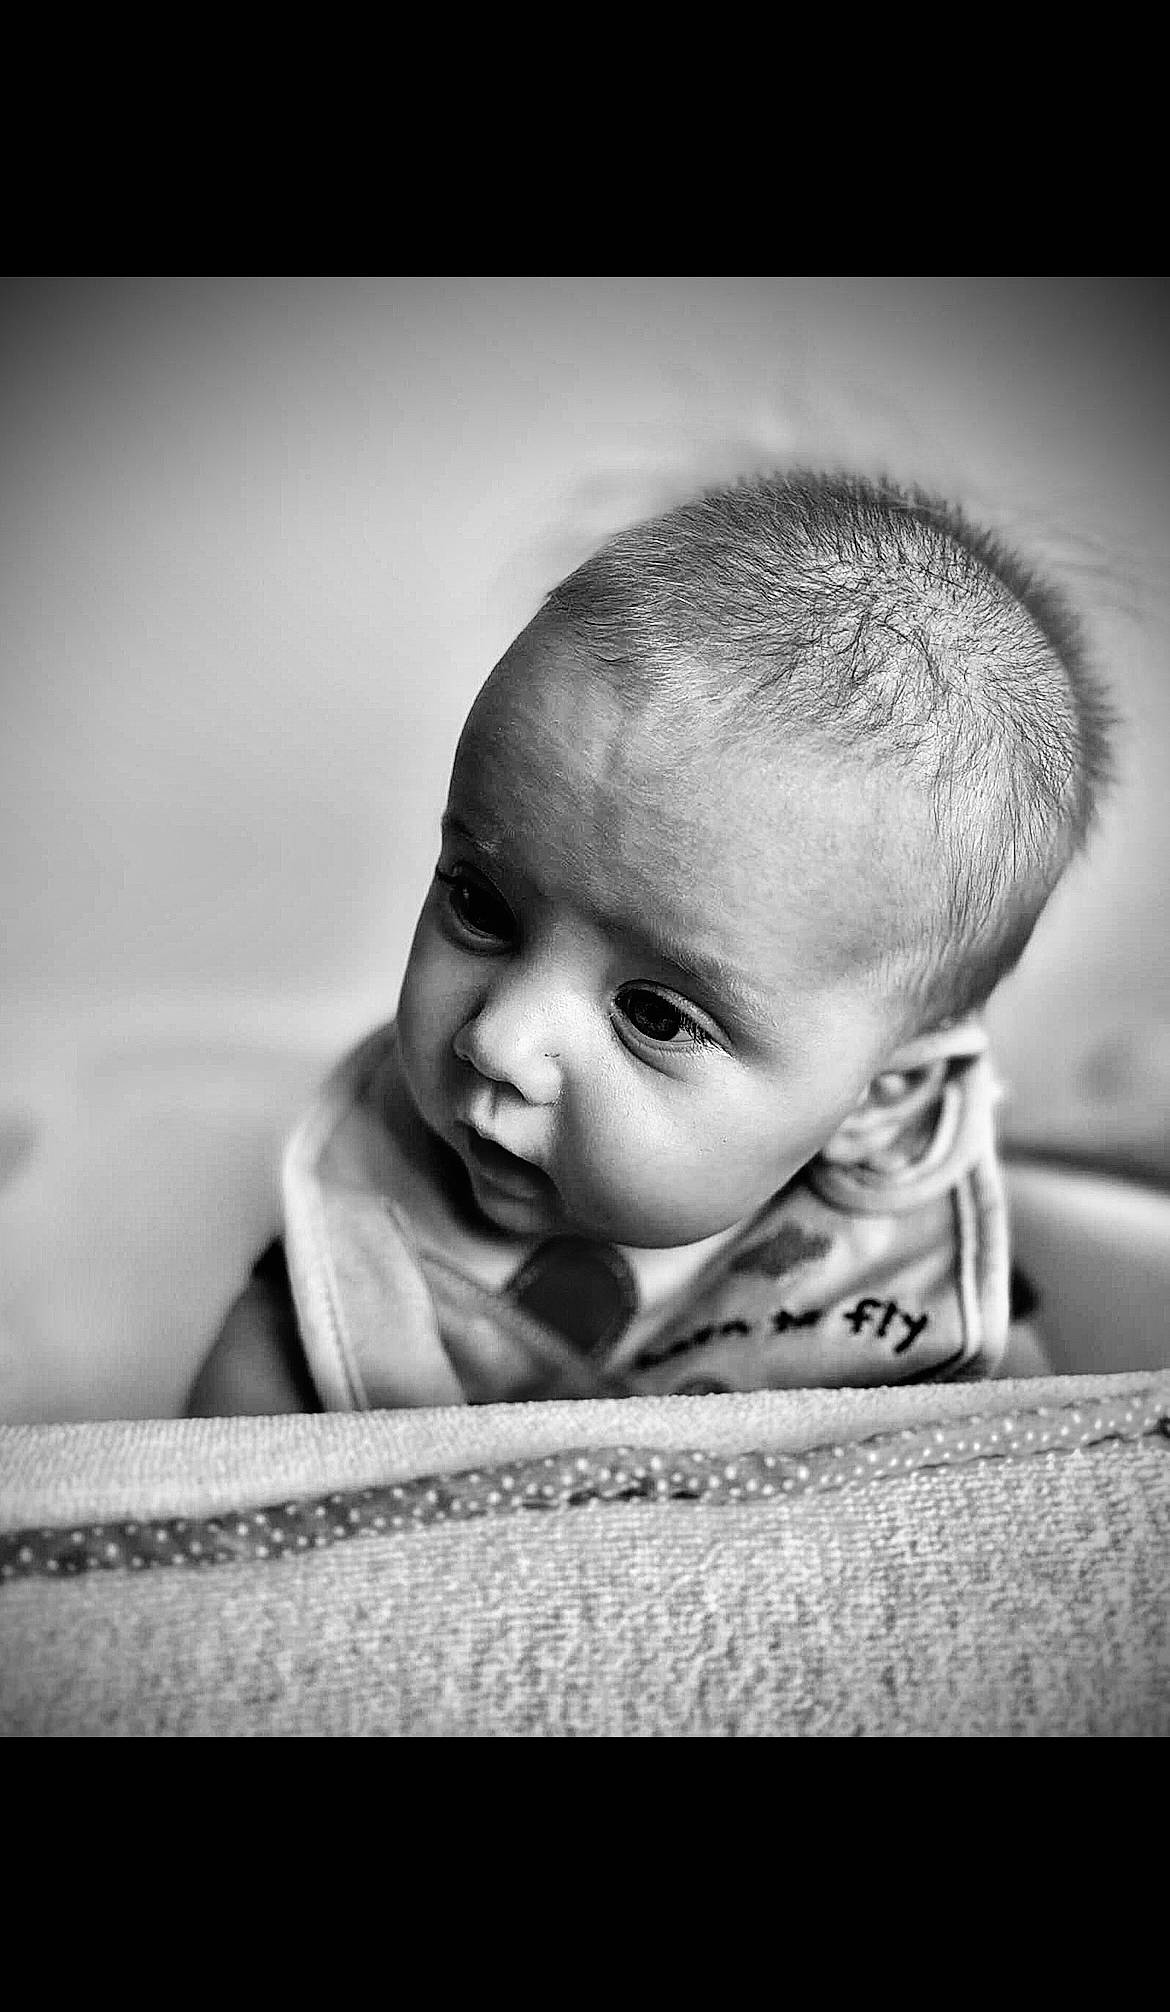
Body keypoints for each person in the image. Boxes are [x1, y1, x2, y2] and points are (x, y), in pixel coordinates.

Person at [187, 468, 1114, 1416]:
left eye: (654, 1014)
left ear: (879, 1101)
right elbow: (220, 1480)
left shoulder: (908, 1295)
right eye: (480, 903)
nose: (498, 1041)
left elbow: (1017, 1492)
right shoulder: (360, 1239)